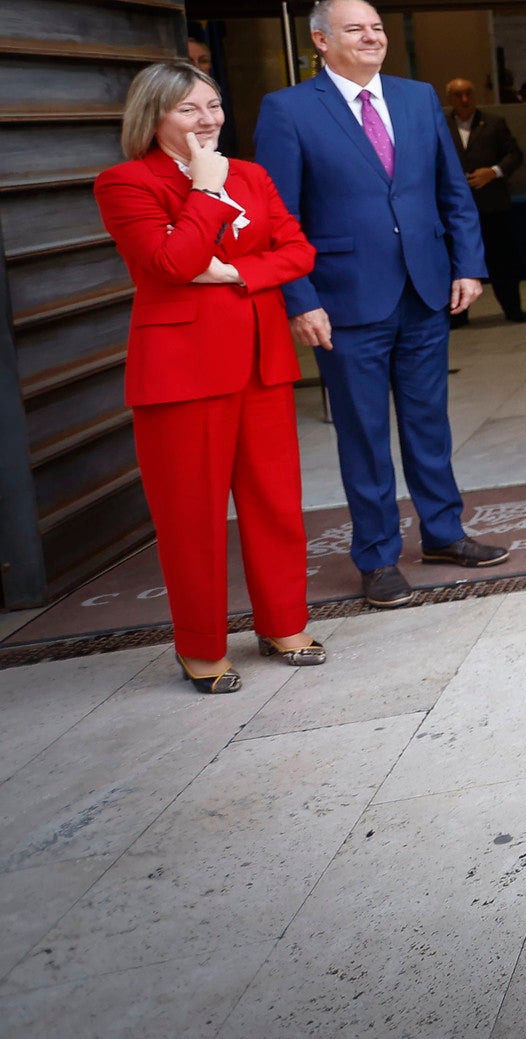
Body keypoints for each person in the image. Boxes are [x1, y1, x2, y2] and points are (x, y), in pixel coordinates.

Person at [253, 0, 509, 612]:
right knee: (364, 435)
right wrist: (300, 298)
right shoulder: (287, 111)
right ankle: (376, 556)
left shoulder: (418, 97)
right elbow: (277, 216)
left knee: (429, 422)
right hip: (344, 301)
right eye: (354, 29)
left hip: (424, 289)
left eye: (377, 28)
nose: (371, 37)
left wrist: (469, 263)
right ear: (319, 40)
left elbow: (451, 189)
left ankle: (444, 534)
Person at [94, 62, 325, 691]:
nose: (208, 120)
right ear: (154, 117)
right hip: (182, 376)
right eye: (189, 110)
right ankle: (200, 647)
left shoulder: (250, 175)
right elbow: (169, 262)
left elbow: (298, 250)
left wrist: (233, 273)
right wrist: (203, 190)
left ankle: (284, 623)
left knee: (276, 505)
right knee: (191, 518)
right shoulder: (125, 183)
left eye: (214, 106)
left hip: (261, 363)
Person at [444, 76, 526, 325]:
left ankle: (513, 308)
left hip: (493, 206)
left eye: (468, 93)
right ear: (449, 98)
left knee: (503, 261)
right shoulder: (440, 124)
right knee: (456, 262)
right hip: (455, 210)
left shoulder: (493, 123)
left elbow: (515, 155)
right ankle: (458, 315)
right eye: (458, 95)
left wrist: (494, 171)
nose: (464, 99)